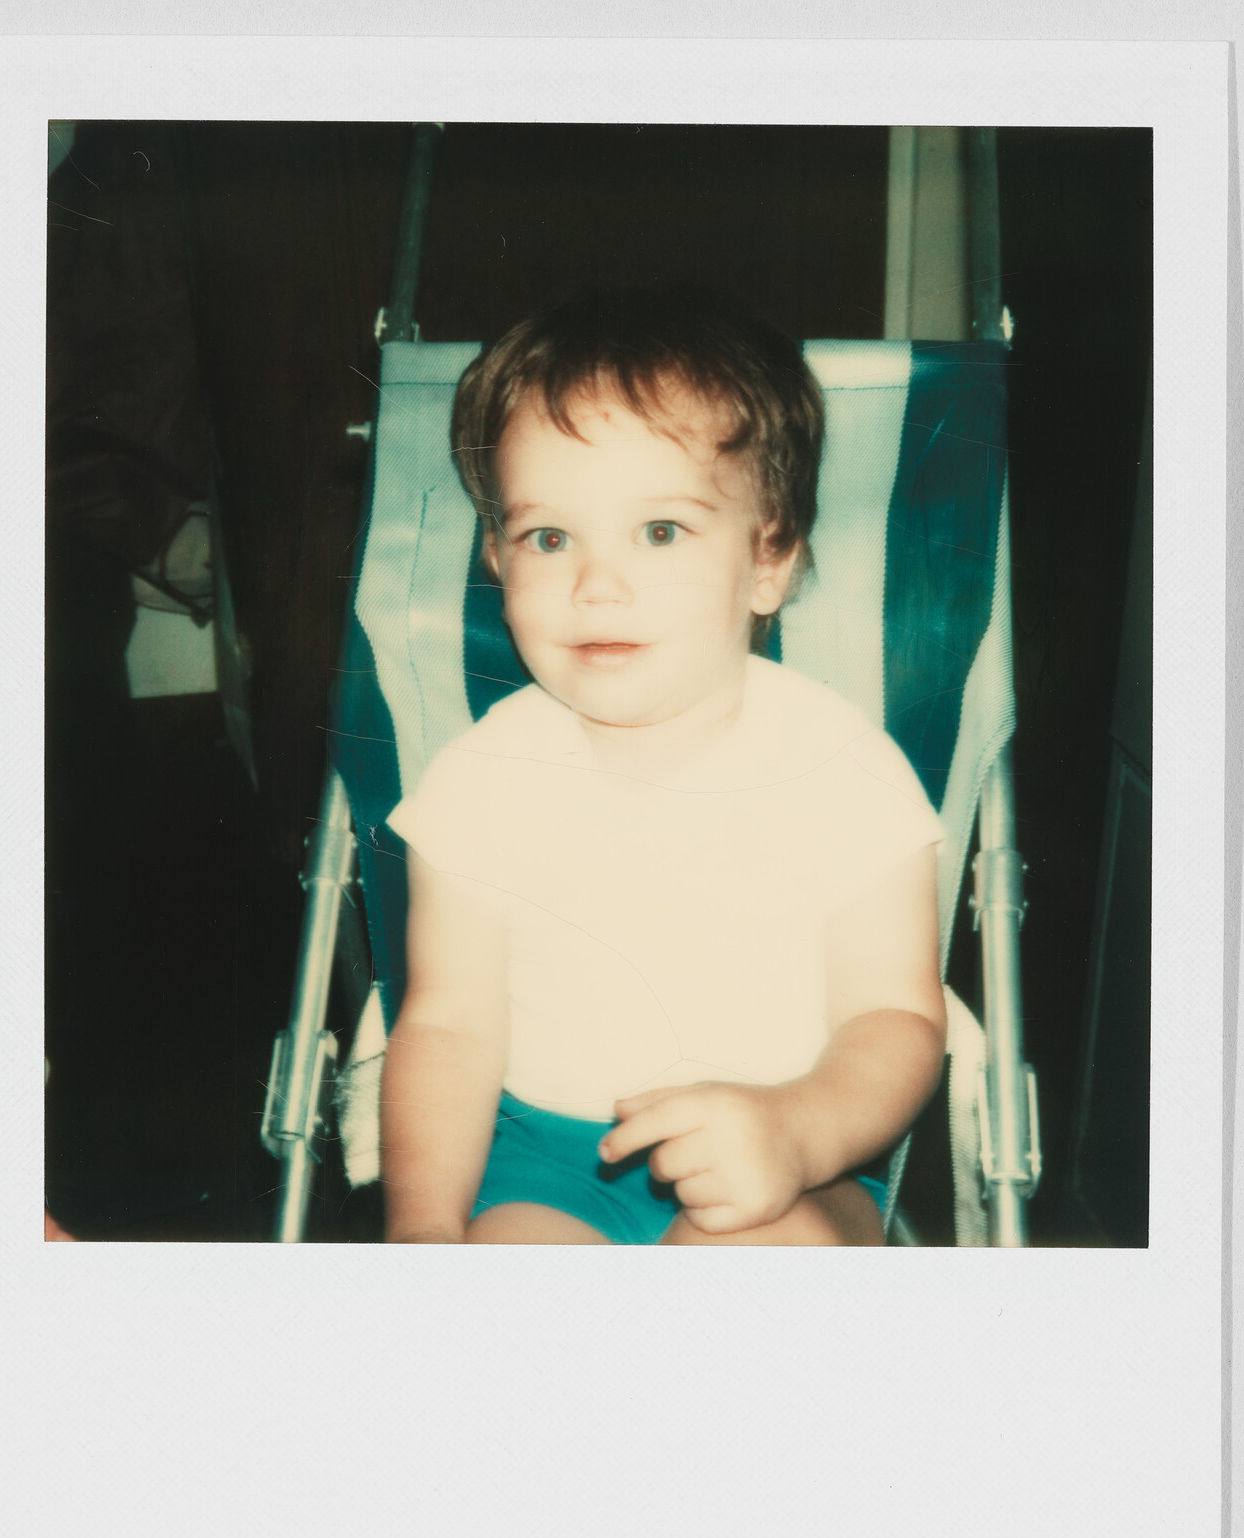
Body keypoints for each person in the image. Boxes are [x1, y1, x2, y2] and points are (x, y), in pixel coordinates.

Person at [379, 286, 947, 1245]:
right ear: (496, 559)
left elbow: (893, 1017)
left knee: (760, 1259)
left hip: (790, 1155)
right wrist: (424, 1229)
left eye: (660, 531)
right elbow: (448, 1028)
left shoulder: (841, 769)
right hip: (543, 1165)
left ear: (769, 559)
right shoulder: (482, 779)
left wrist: (797, 1131)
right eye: (548, 538)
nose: (597, 585)